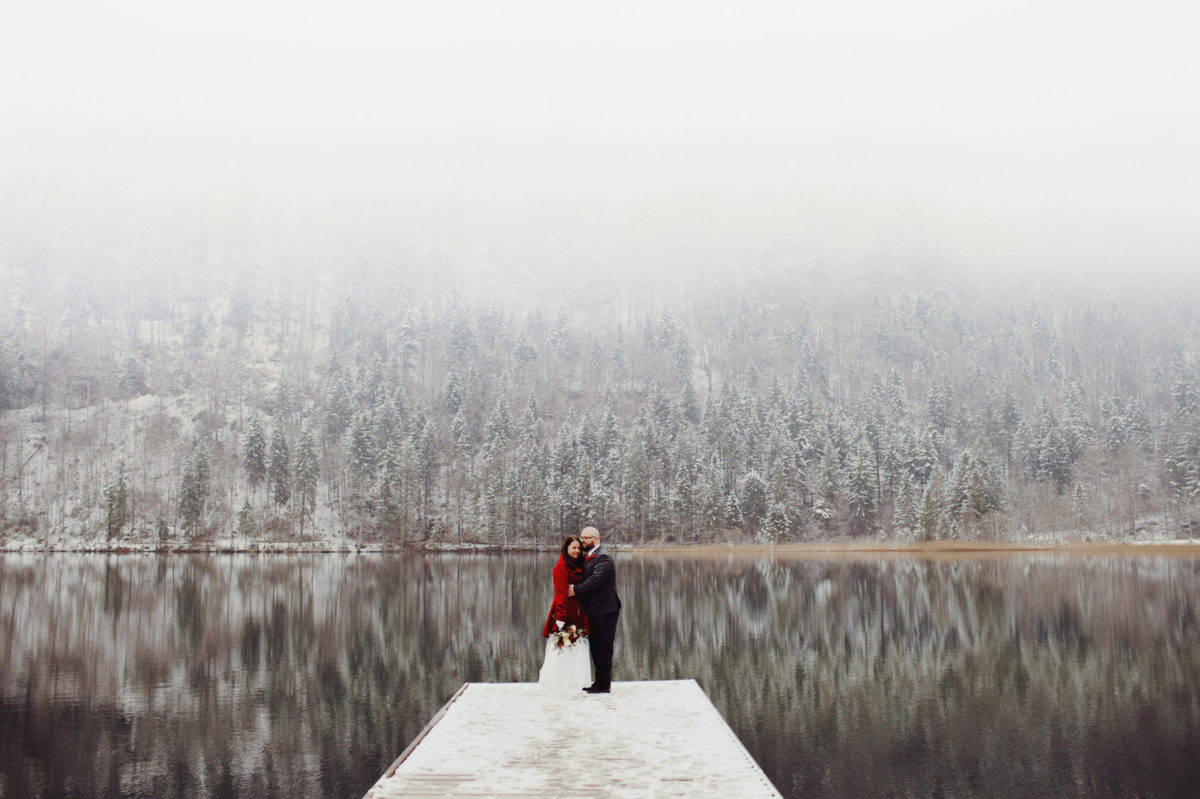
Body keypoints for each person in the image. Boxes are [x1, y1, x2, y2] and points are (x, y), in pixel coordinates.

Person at [569, 526, 621, 693]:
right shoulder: (589, 556)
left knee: (604, 647)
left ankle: (603, 685)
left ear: (595, 539)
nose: (582, 540)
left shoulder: (604, 557)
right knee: (596, 646)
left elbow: (595, 580)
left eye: (585, 538)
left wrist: (575, 590)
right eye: (581, 537)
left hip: (606, 610)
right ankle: (598, 683)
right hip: (594, 610)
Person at [538, 535, 592, 694]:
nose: (577, 551)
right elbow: (561, 595)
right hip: (565, 613)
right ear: (566, 549)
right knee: (563, 648)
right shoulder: (561, 567)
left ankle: (574, 681)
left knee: (575, 648)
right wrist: (560, 619)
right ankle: (559, 683)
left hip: (577, 612)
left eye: (578, 548)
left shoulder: (575, 566)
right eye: (573, 548)